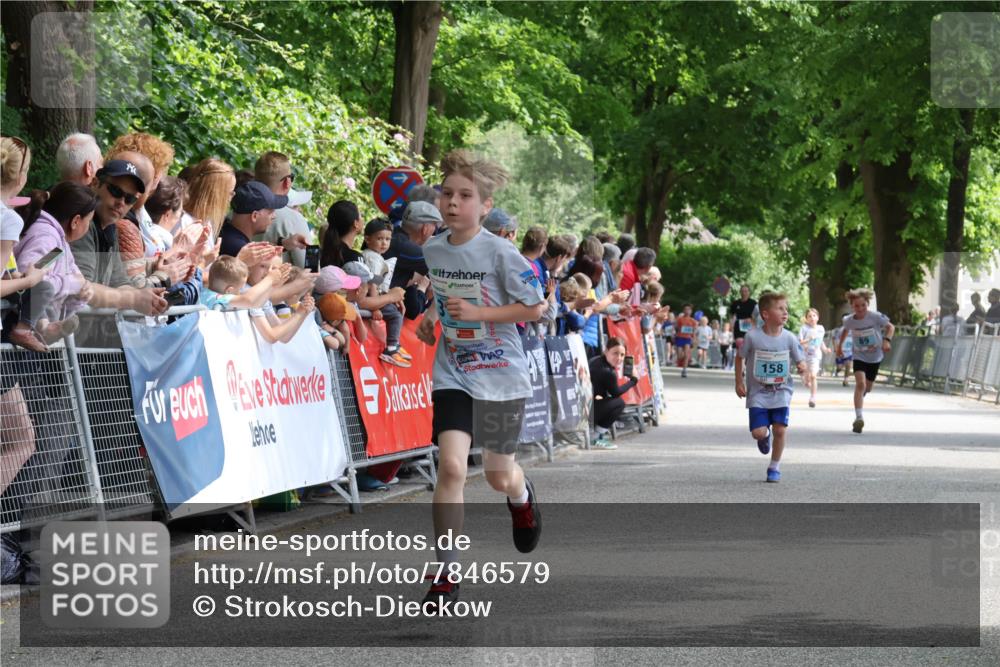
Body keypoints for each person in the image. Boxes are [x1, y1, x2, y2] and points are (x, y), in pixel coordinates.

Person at [414, 150, 545, 611]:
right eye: (447, 193)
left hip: (501, 374)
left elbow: (535, 309)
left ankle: (521, 493)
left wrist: (480, 314)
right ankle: (446, 572)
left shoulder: (501, 251)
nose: (452, 203)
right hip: (454, 370)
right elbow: (447, 299)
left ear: (485, 205)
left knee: (496, 476)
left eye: (464, 196)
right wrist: (434, 318)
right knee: (450, 468)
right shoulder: (432, 248)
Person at [11, 183, 99, 350]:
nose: (88, 227)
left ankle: (46, 328)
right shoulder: (47, 237)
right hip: (14, 333)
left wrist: (81, 294)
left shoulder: (59, 243)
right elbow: (29, 277)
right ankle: (43, 328)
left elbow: (70, 279)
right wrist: (74, 284)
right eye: (89, 221)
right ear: (76, 221)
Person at [734, 291, 807, 483]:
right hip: (757, 393)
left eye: (786, 309)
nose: (785, 313)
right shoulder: (752, 337)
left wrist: (802, 367)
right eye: (780, 309)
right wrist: (738, 382)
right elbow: (740, 357)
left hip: (781, 392)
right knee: (758, 433)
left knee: (780, 430)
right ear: (765, 314)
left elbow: (801, 360)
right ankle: (764, 437)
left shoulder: (789, 338)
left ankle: (774, 467)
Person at [836, 288, 895, 434]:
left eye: (863, 305)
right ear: (852, 306)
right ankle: (858, 417)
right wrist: (839, 347)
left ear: (867, 304)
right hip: (859, 355)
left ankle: (860, 397)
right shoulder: (849, 320)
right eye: (857, 306)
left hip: (875, 356)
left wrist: (887, 340)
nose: (860, 309)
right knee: (860, 384)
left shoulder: (875, 317)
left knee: (867, 388)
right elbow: (845, 330)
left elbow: (890, 327)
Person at [255, 151, 311, 266]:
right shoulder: (294, 219)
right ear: (287, 182)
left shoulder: (235, 214)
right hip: (279, 282)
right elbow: (309, 268)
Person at [385, 201, 438, 319]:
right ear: (425, 228)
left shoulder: (395, 237)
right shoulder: (407, 248)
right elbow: (442, 268)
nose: (435, 231)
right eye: (435, 225)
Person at [589, 337, 639, 450]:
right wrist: (633, 380)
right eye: (615, 353)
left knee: (608, 400)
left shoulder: (596, 360)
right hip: (586, 413)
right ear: (606, 351)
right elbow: (616, 393)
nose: (619, 358)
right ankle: (596, 437)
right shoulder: (608, 371)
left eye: (622, 355)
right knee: (619, 403)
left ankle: (593, 433)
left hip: (581, 409)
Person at [185, 158, 236, 238]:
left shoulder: (206, 222)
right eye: (230, 193)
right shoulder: (186, 224)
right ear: (216, 194)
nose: (232, 197)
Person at [798, 308, 829, 408]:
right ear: (806, 319)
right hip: (804, 356)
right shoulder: (804, 328)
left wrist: (825, 349)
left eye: (814, 316)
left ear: (818, 317)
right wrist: (808, 339)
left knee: (813, 376)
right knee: (807, 381)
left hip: (815, 356)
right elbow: (800, 342)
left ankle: (813, 397)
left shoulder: (821, 328)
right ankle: (808, 384)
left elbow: (820, 341)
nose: (812, 318)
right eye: (809, 316)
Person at [729, 284, 757, 355]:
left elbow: (758, 317)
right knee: (740, 346)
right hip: (738, 327)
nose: (744, 293)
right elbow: (732, 316)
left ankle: (747, 362)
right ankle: (740, 362)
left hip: (750, 327)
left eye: (746, 291)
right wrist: (731, 326)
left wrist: (751, 319)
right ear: (740, 292)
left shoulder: (753, 303)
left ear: (749, 292)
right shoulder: (735, 303)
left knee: (749, 346)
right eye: (742, 291)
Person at [674, 304, 697, 378]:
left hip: (688, 338)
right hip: (680, 337)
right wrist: (674, 334)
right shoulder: (679, 319)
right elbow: (676, 328)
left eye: (689, 310)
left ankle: (684, 370)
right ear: (683, 310)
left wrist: (694, 339)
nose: (687, 311)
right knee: (680, 356)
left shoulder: (693, 321)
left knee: (687, 355)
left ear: (691, 311)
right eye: (686, 309)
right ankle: (683, 359)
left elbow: (694, 331)